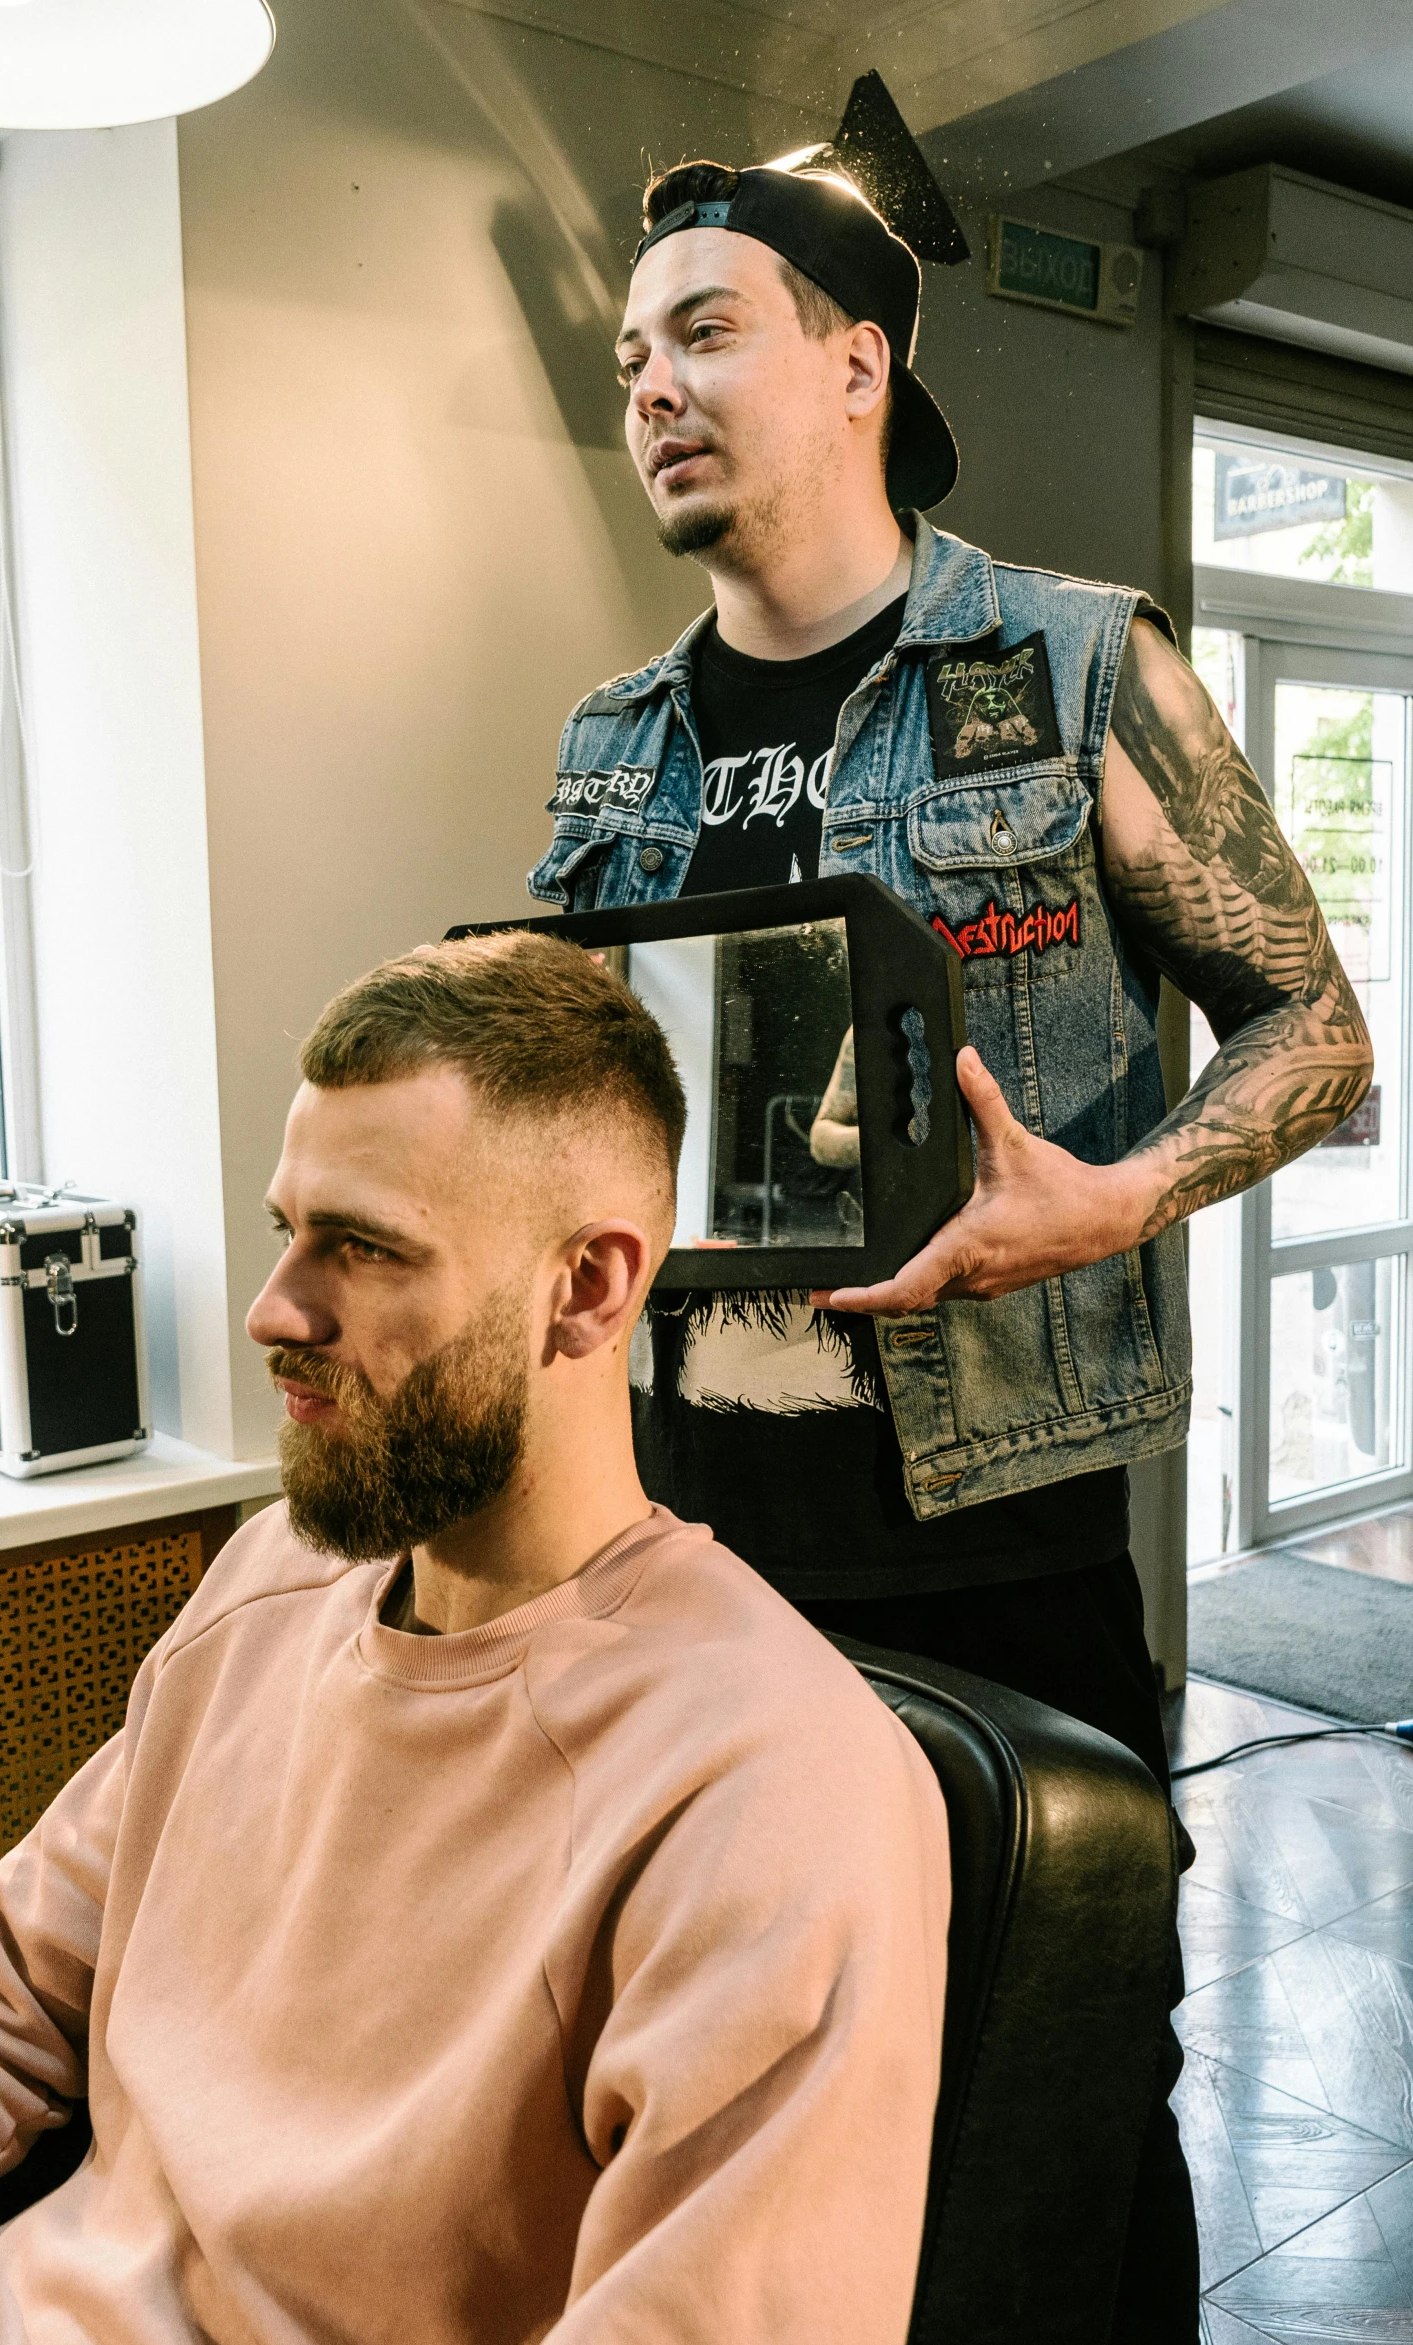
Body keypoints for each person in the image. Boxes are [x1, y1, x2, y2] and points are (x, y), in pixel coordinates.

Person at [528, 159, 1373, 2341]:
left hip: (996, 1539)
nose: (649, 390)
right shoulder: (611, 745)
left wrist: (1118, 1193)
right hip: (693, 1552)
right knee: (765, 2110)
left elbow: (1316, 1025)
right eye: (627, 359)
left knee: (1064, 2095)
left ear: (851, 362)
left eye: (700, 333)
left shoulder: (1072, 664)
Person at [0, 933, 949, 2345]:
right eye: (287, 1229)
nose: (273, 1310)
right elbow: (1, 2007)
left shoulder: (773, 1795)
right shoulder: (265, 1582)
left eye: (361, 1249)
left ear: (587, 1289)